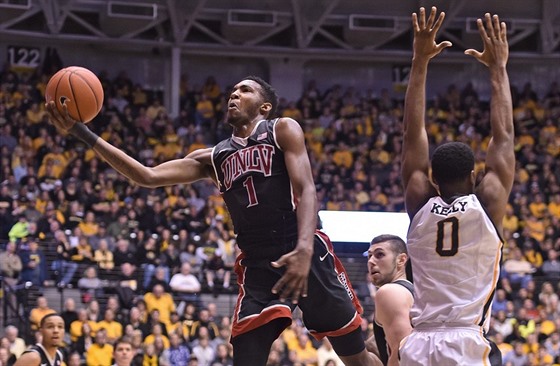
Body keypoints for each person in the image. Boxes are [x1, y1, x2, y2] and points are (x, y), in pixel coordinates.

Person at [46, 75, 378, 365]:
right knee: (245, 354)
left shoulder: (281, 129)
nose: (234, 94)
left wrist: (305, 249)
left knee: (355, 357)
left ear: (264, 107)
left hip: (304, 249)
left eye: (245, 90)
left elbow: (306, 189)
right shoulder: (214, 157)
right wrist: (82, 133)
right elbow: (146, 176)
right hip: (259, 264)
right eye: (233, 90)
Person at [398, 7, 514, 366]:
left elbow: (411, 133)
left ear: (432, 180)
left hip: (418, 344)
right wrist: (498, 69)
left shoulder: (419, 199)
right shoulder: (489, 200)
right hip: (466, 344)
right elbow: (504, 136)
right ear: (475, 177)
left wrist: (419, 62)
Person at [364, 235, 413, 366]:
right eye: (369, 256)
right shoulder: (410, 291)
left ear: (401, 260)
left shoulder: (390, 292)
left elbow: (404, 356)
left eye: (379, 255)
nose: (371, 261)